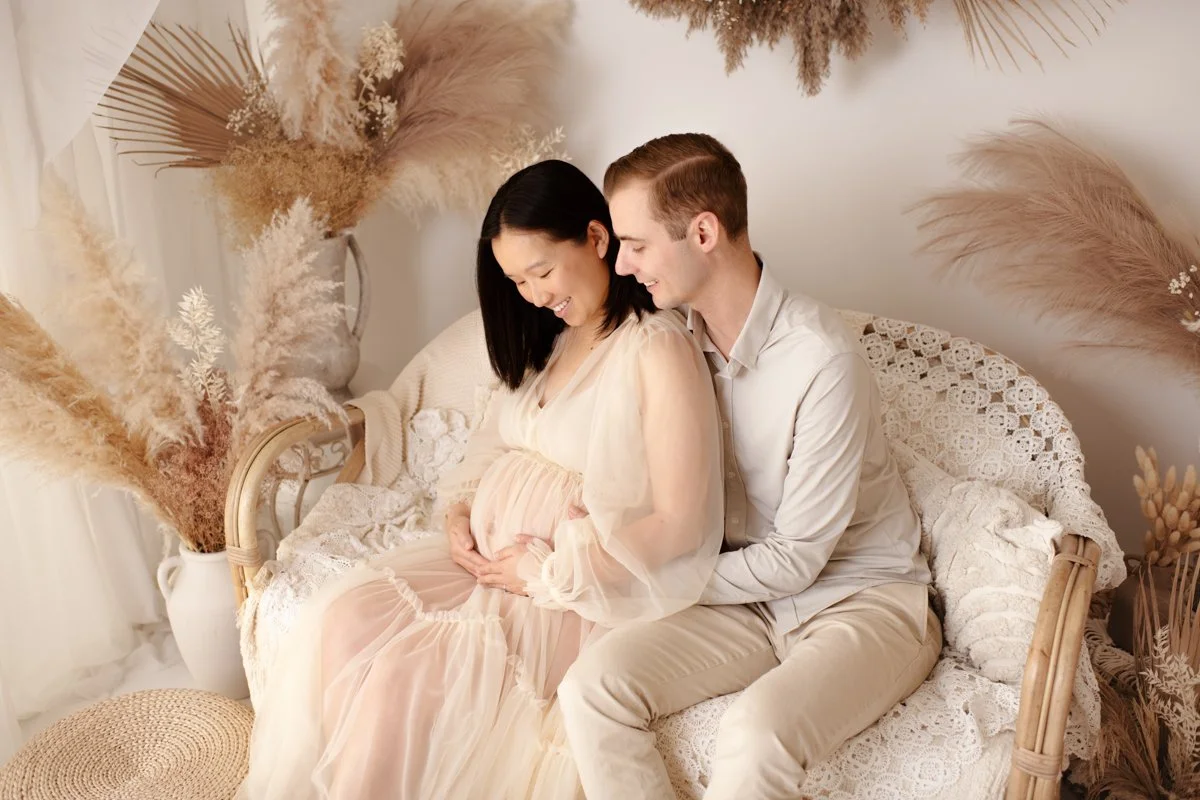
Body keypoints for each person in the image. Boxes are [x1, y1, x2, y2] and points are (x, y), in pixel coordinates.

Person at [238, 159, 725, 799]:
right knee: (343, 619)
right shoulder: (554, 339)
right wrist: (461, 509)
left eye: (542, 271)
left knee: (402, 680)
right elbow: (493, 439)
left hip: (571, 592)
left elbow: (680, 522)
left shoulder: (655, 348)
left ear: (598, 239)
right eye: (517, 280)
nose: (532, 294)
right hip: (490, 567)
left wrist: (549, 575)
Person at [555, 133, 943, 800]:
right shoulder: (673, 341)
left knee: (754, 736)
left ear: (703, 232)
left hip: (861, 601)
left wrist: (655, 577)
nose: (621, 265)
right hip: (749, 603)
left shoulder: (821, 360)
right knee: (590, 687)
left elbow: (797, 561)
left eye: (637, 244)